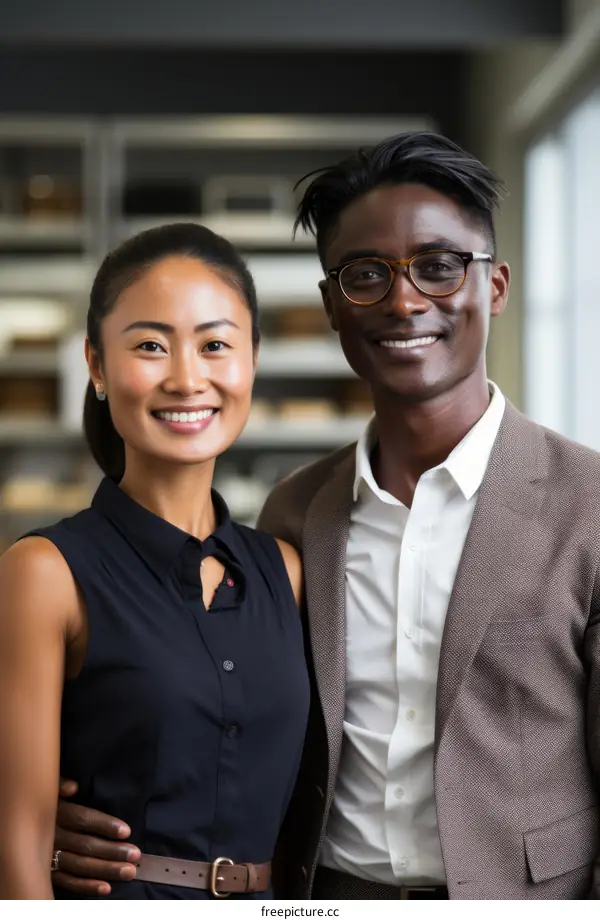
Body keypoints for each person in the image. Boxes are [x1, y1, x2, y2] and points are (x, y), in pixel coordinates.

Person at [51, 132, 600, 900]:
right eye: (367, 275)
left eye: (440, 267)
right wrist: (62, 815)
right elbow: (199, 709)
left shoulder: (588, 505)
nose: (406, 300)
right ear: (333, 305)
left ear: (496, 286)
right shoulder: (295, 518)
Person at [0, 222, 309, 899]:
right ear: (97, 366)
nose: (186, 378)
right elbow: (16, 846)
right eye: (149, 346)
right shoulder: (44, 572)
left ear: (252, 360)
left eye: (216, 345)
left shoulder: (287, 572)